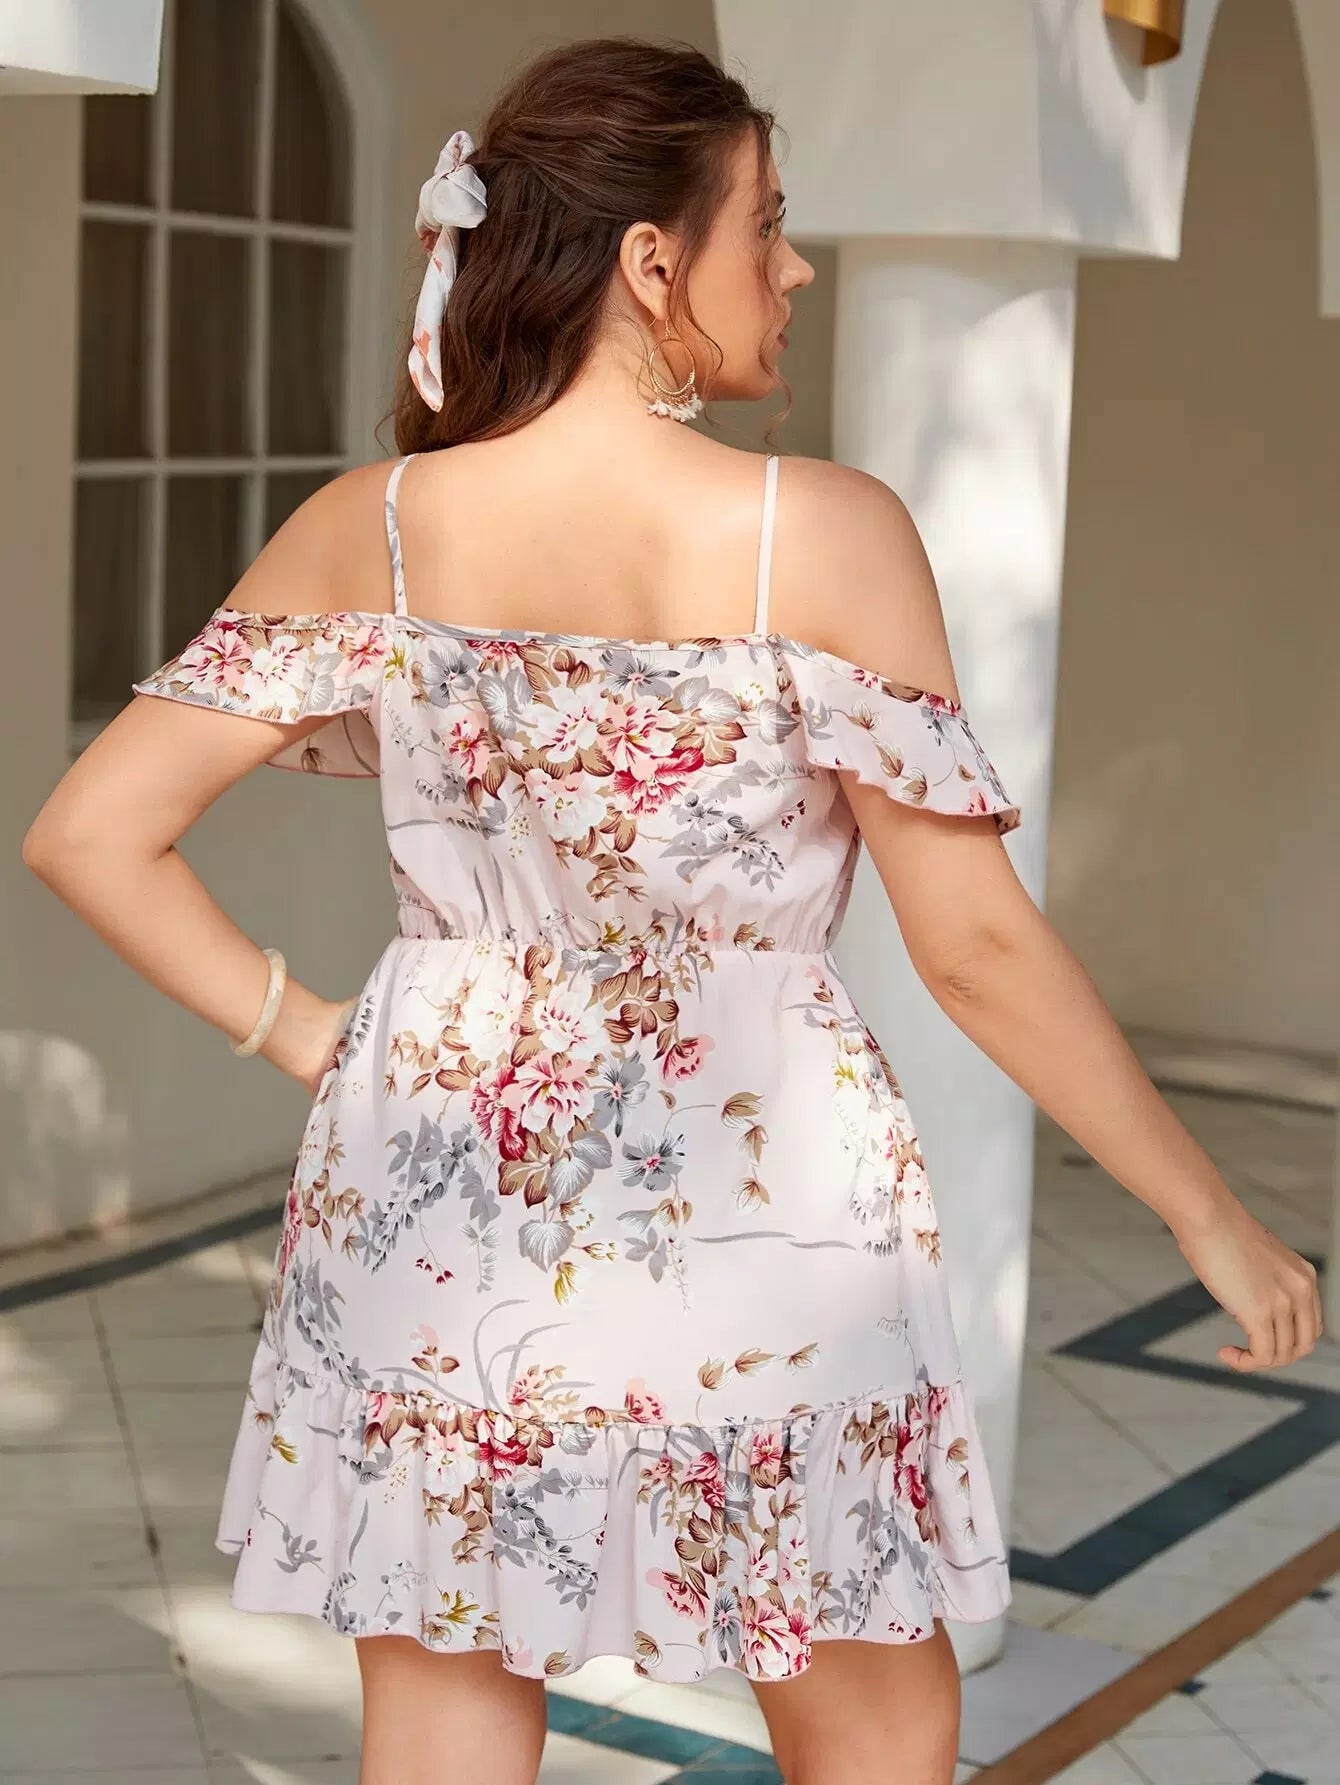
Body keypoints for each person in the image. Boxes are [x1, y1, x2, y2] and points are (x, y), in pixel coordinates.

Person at [23, 35, 1322, 1785]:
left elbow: (90, 833)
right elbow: (973, 947)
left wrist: (317, 1034)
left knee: (449, 1705)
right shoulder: (825, 534)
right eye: (766, 225)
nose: (795, 269)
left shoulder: (373, 526)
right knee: (873, 1717)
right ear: (652, 259)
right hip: (763, 1201)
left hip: (441, 1183)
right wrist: (1206, 1212)